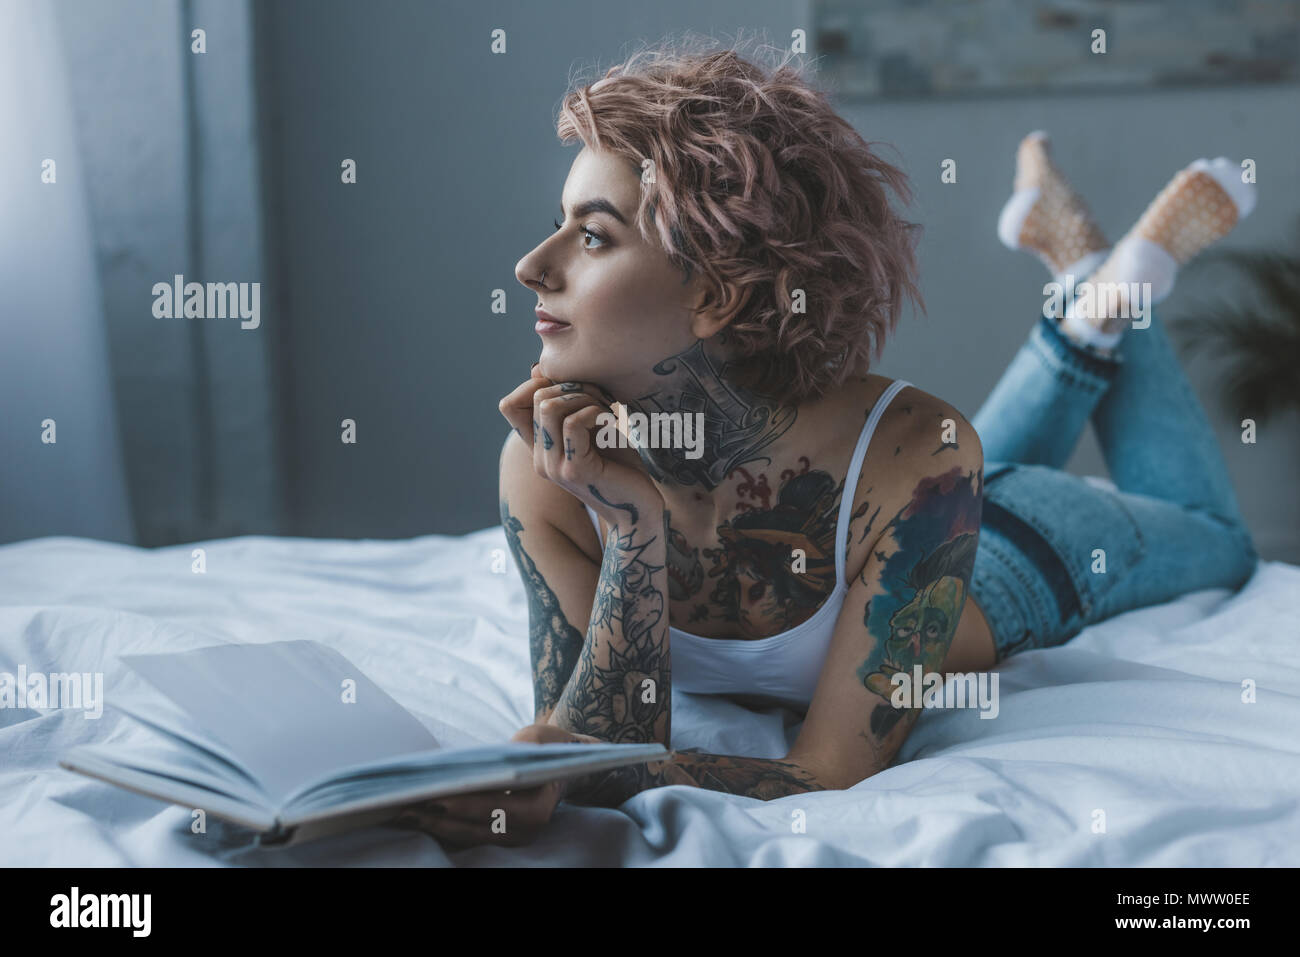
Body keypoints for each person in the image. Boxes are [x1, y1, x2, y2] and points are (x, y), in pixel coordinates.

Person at [393, 41, 1258, 849]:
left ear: (718, 295)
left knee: (1213, 538)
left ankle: (1101, 287)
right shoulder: (549, 471)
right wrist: (631, 527)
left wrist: (568, 774)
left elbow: (828, 770)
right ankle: (1086, 295)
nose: (529, 266)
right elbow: (599, 739)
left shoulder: (918, 452)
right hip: (916, 501)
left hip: (1007, 557)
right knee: (949, 460)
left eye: (593, 235)